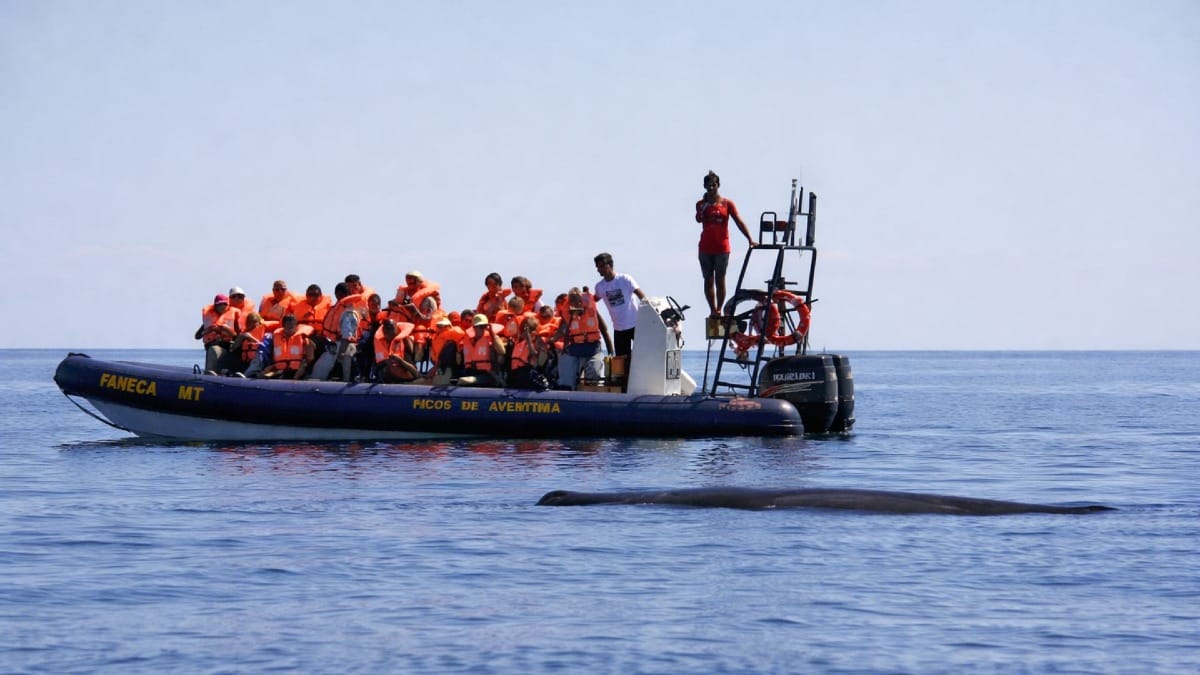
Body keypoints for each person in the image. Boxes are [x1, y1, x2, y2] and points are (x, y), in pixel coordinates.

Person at [696, 170, 755, 318]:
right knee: (708, 279)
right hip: (705, 247)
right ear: (704, 186)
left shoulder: (727, 204)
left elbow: (738, 221)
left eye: (713, 185)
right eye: (708, 186)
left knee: (720, 278)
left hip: (722, 247)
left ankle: (719, 308)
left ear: (718, 185)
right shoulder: (701, 204)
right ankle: (712, 309)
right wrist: (705, 206)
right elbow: (698, 219)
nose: (711, 188)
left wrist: (749, 239)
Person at [554, 287, 611, 390]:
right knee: (564, 366)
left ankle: (590, 391)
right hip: (575, 348)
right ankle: (567, 389)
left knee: (594, 372)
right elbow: (564, 332)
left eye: (577, 301)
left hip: (592, 348)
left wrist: (611, 351)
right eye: (572, 302)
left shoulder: (592, 310)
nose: (576, 304)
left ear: (582, 301)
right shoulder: (568, 314)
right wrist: (553, 342)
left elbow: (604, 330)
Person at [592, 252, 647, 358]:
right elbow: (593, 300)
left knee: (643, 355)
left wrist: (649, 315)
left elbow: (643, 297)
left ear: (609, 265)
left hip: (635, 326)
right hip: (619, 329)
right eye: (597, 267)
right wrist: (583, 297)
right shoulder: (600, 286)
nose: (598, 269)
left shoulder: (625, 279)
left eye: (601, 266)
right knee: (622, 361)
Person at [195, 293, 242, 373]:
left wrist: (224, 330)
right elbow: (197, 336)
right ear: (215, 306)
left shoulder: (233, 316)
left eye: (224, 304)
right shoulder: (209, 319)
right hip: (212, 344)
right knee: (213, 349)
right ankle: (210, 372)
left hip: (228, 345)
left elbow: (237, 335)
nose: (222, 307)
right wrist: (209, 330)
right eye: (219, 305)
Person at [260, 314, 313, 380]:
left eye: (292, 327)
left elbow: (309, 358)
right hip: (280, 370)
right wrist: (270, 368)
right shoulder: (276, 337)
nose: (290, 329)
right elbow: (273, 358)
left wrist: (301, 369)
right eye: (288, 327)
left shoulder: (303, 338)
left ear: (296, 326)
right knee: (262, 375)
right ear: (283, 327)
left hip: (298, 371)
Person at [460, 314, 506, 387]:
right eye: (480, 327)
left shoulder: (491, 338)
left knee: (466, 381)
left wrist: (492, 334)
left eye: (485, 326)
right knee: (460, 381)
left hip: (487, 374)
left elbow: (502, 351)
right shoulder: (468, 340)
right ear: (474, 327)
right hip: (471, 372)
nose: (483, 329)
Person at [372, 319, 422, 383]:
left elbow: (411, 353)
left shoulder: (405, 340)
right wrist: (386, 361)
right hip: (387, 369)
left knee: (405, 368)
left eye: (391, 328)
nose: (388, 330)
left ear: (396, 329)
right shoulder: (380, 342)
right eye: (386, 328)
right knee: (385, 368)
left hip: (404, 366)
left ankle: (405, 379)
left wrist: (400, 360)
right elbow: (379, 363)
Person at [230, 311, 268, 375]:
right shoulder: (243, 334)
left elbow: (263, 346)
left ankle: (248, 374)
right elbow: (233, 348)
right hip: (245, 361)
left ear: (259, 322)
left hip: (258, 360)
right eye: (250, 322)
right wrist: (241, 337)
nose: (253, 324)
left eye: (255, 321)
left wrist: (250, 338)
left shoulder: (264, 331)